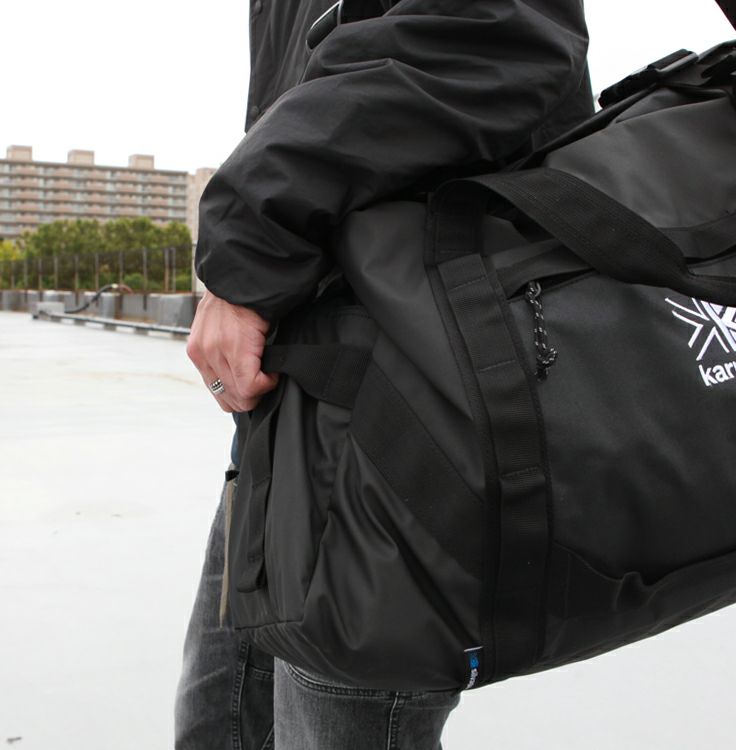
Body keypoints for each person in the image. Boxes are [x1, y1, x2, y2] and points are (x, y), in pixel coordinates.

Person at [176, 1, 594, 748]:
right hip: (292, 391)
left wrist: (247, 241)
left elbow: (495, 36)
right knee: (216, 724)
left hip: (398, 391)